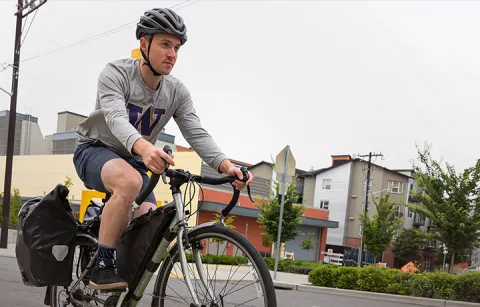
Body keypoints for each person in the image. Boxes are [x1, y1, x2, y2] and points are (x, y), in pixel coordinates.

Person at [73, 7, 254, 291]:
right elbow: (116, 118)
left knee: (150, 224)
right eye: (165, 44)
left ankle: (117, 281)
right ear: (144, 44)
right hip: (95, 150)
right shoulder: (116, 73)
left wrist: (226, 166)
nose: (172, 54)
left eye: (177, 47)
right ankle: (101, 266)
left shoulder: (176, 92)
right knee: (130, 181)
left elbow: (195, 131)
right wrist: (145, 148)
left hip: (132, 160)